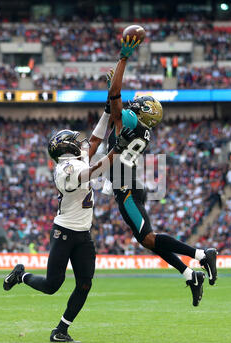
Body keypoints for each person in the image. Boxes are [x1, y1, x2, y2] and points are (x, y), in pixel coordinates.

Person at [92, 34, 218, 307]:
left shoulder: (130, 120)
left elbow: (115, 101)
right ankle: (189, 275)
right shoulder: (141, 129)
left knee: (148, 237)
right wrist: (113, 86)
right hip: (129, 184)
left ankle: (201, 254)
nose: (135, 102)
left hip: (126, 188)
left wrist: (122, 60)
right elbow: (113, 104)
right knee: (147, 240)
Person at [3, 123, 135, 343]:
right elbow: (93, 171)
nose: (80, 143)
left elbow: (94, 140)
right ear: (67, 147)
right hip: (64, 232)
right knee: (51, 285)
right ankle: (21, 276)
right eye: (75, 141)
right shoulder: (65, 170)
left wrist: (107, 114)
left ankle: (61, 330)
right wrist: (117, 150)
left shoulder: (75, 162)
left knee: (85, 284)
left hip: (83, 234)